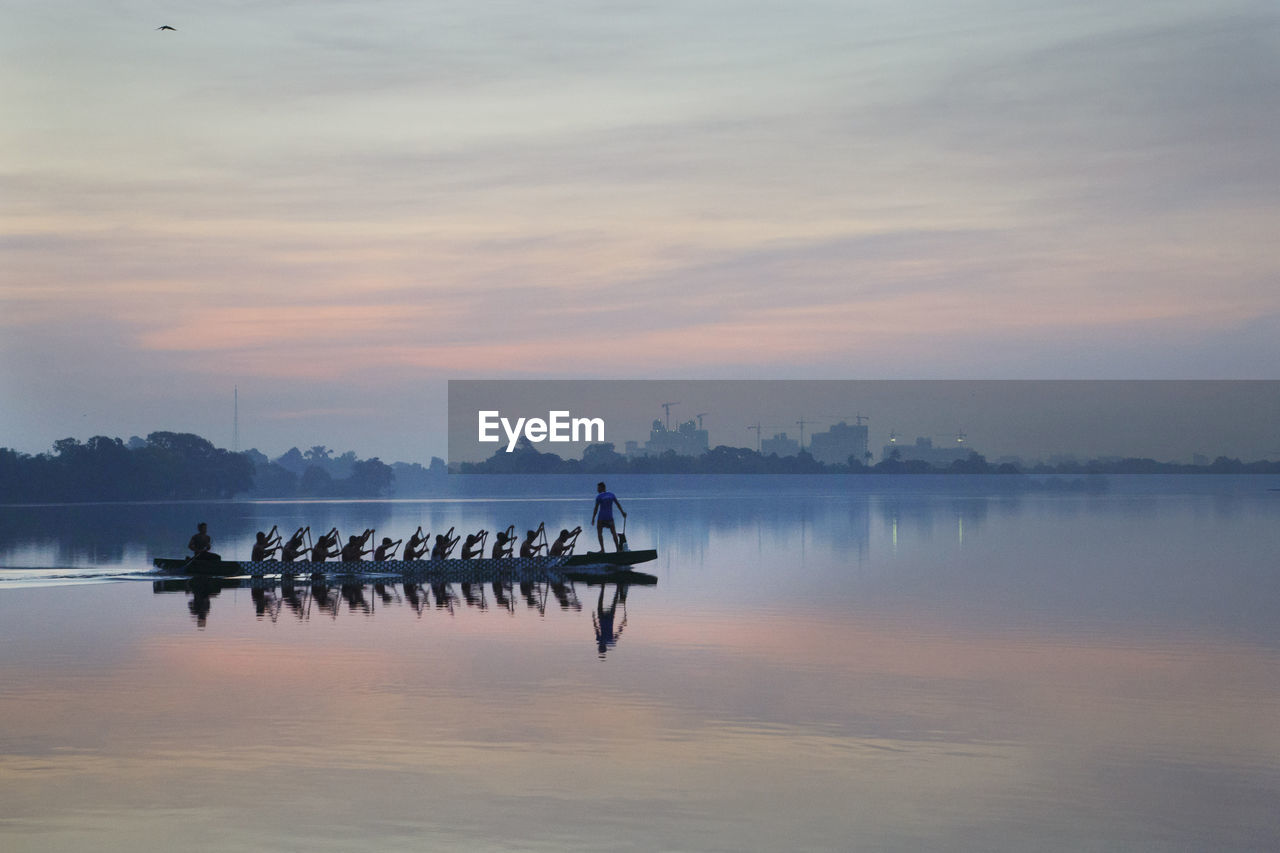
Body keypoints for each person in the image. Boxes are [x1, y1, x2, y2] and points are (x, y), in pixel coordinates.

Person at [591, 482, 627, 552]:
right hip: (610, 518)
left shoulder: (599, 496)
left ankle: (602, 549)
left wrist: (593, 518)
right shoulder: (611, 495)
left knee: (599, 533)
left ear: (602, 488)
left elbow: (596, 508)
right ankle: (618, 549)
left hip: (601, 518)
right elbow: (618, 504)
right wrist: (622, 513)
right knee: (613, 533)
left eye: (598, 488)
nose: (597, 489)